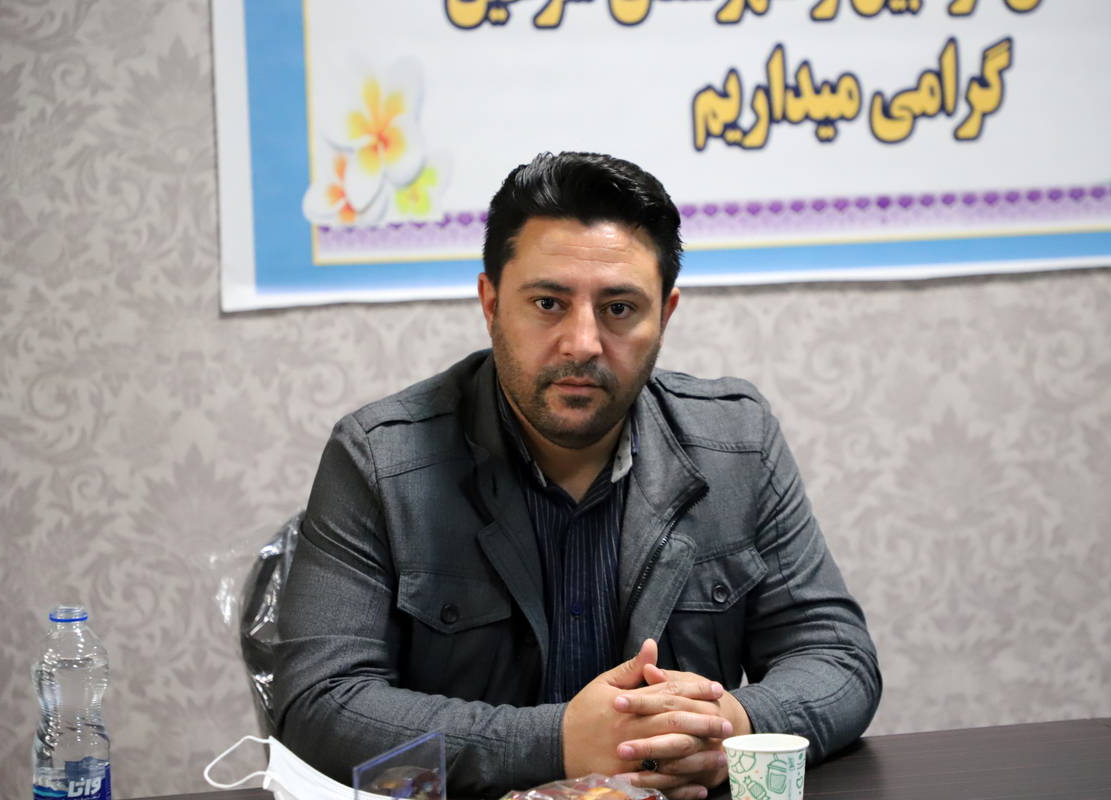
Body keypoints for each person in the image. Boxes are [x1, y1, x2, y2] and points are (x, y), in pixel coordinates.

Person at [273, 151, 881, 799]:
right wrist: (557, 743)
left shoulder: (737, 442)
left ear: (665, 314)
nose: (583, 343)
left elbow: (837, 657)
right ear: (491, 303)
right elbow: (318, 703)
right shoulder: (380, 459)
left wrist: (730, 725)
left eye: (619, 308)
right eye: (548, 303)